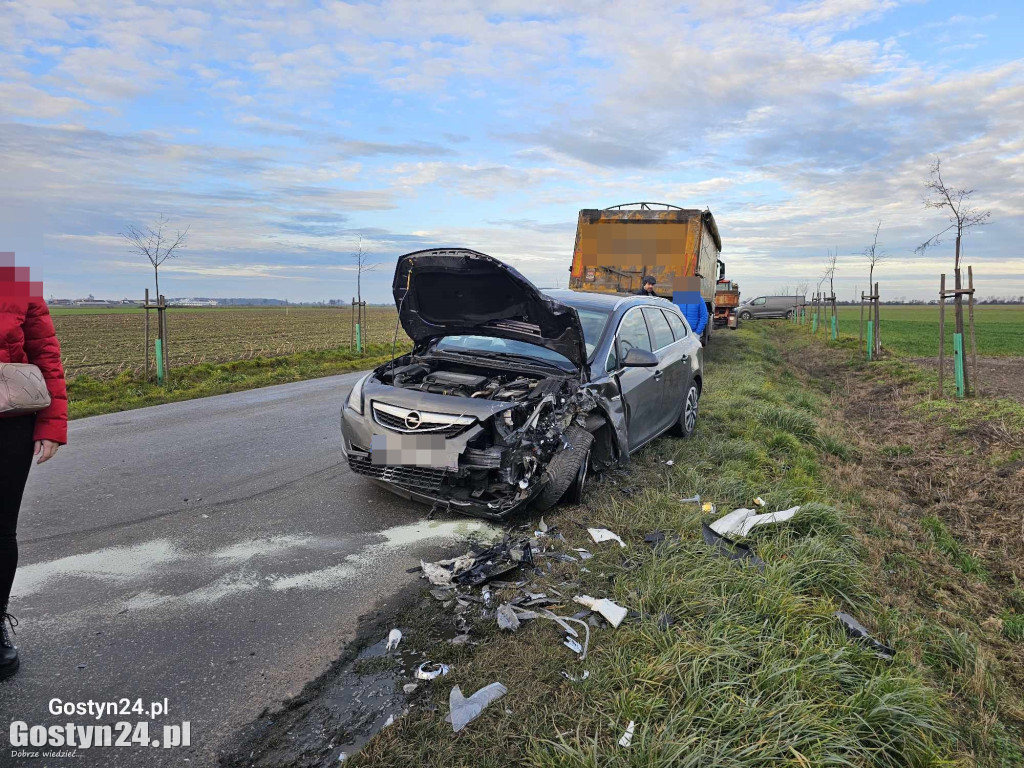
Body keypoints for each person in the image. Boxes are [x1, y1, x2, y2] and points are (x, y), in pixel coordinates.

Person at [1, 272, 67, 680]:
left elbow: (46, 357)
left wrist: (51, 426)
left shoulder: (16, 283)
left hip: (8, 423)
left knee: (0, 530)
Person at [673, 276, 710, 342]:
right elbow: (672, 315)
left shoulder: (699, 299)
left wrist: (697, 332)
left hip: (693, 333)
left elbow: (704, 316)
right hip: (680, 333)